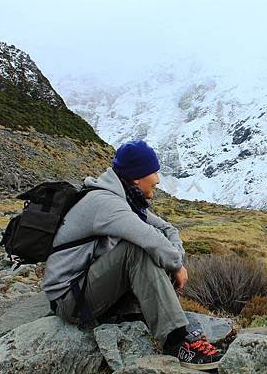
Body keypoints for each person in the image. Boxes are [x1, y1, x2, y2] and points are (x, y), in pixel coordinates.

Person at [41, 140, 222, 370]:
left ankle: (157, 317)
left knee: (149, 251)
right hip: (71, 301)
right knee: (136, 250)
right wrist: (176, 266)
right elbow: (150, 239)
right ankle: (176, 342)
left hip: (88, 286)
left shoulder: (125, 199)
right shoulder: (107, 203)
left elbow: (168, 230)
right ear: (137, 177)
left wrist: (177, 258)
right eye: (153, 172)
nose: (157, 179)